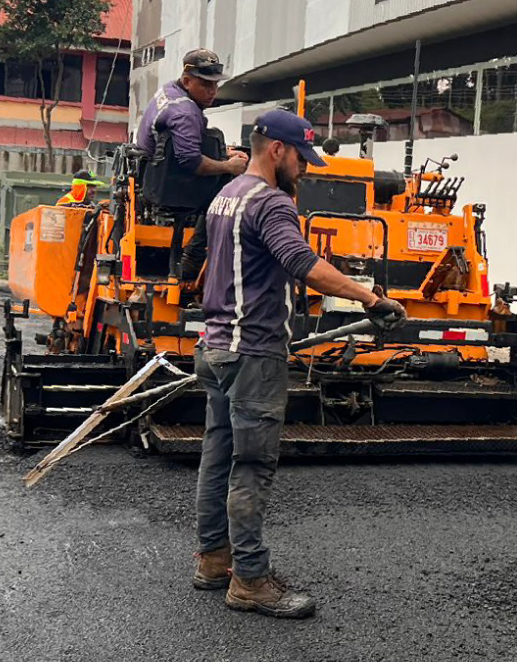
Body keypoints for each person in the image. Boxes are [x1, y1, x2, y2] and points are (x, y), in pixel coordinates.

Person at [190, 108, 407, 619]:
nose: (305, 170)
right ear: (277, 150)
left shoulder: (225, 196)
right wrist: (370, 300)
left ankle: (213, 559)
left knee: (217, 455)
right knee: (252, 464)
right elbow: (303, 264)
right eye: (301, 158)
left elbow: (204, 269)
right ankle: (249, 579)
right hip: (253, 354)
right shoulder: (271, 203)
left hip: (216, 346)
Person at [136, 48, 249, 279]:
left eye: (215, 85)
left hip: (155, 174)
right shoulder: (186, 112)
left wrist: (223, 154)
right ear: (187, 81)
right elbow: (191, 162)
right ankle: (194, 258)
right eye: (206, 85)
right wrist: (229, 166)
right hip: (169, 186)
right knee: (230, 192)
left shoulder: (169, 90)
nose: (213, 92)